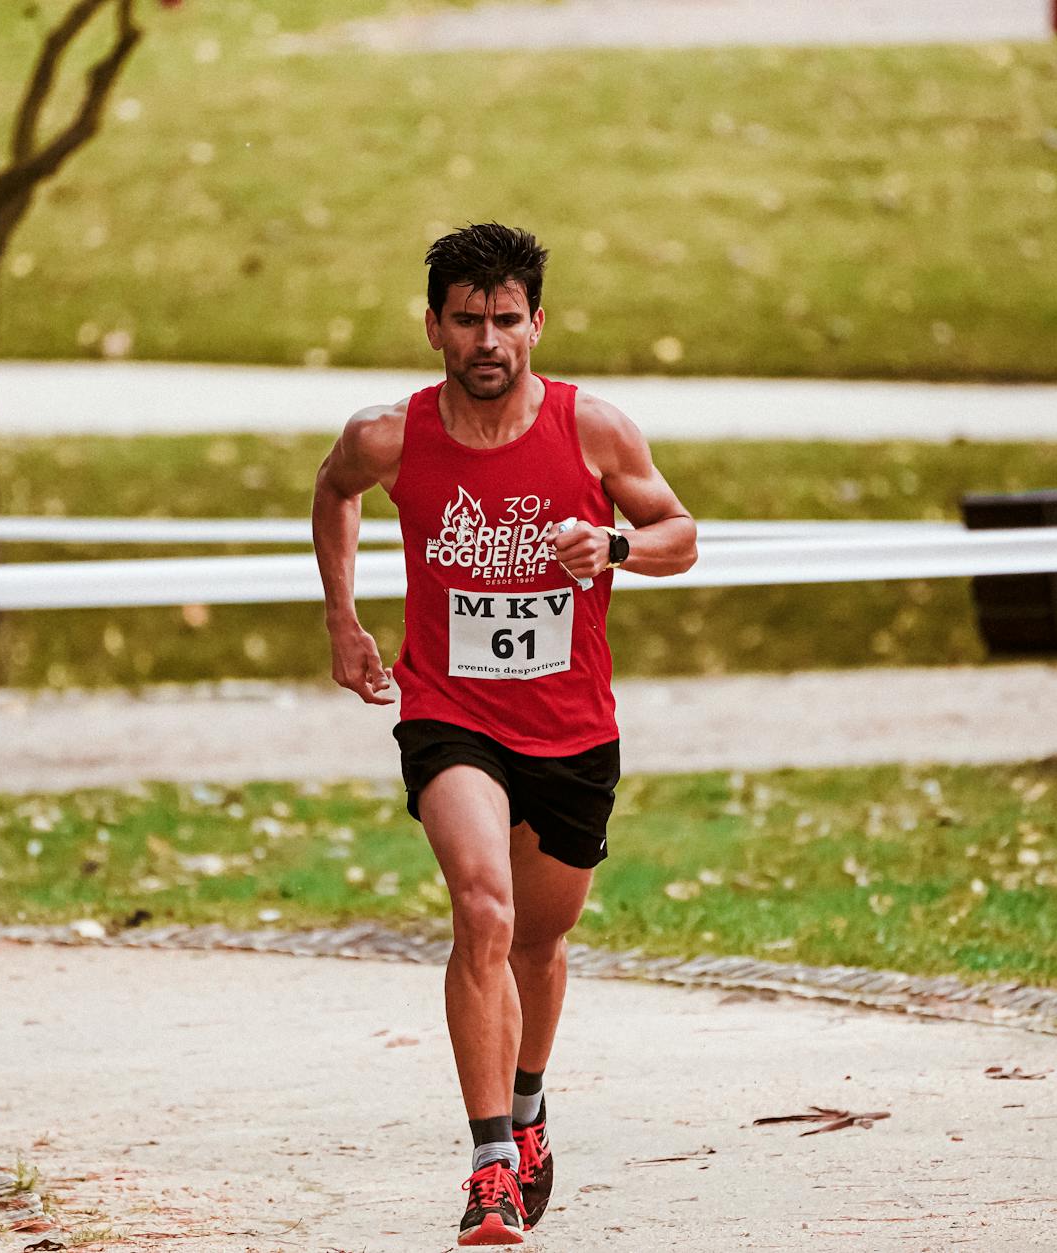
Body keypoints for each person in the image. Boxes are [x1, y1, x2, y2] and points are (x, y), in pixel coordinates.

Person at [311, 223, 698, 1245]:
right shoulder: (389, 436)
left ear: (536, 324)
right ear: (432, 326)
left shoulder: (593, 430)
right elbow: (334, 489)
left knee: (537, 936)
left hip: (571, 727)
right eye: (467, 319)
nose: (487, 339)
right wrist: (344, 618)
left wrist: (612, 543)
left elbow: (681, 536)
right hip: (450, 713)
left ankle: (527, 1107)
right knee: (482, 910)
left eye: (505, 318)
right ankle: (490, 1166)